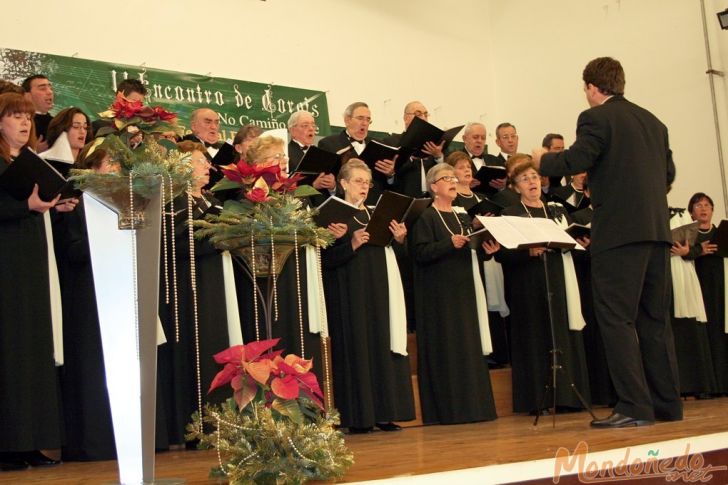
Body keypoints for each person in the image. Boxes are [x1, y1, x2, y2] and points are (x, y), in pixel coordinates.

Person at [536, 56, 681, 427]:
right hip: (656, 234)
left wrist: (542, 160)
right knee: (653, 321)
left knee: (615, 319)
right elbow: (668, 175)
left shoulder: (596, 118)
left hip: (619, 234)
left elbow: (577, 158)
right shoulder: (654, 121)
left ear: (591, 87)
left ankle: (633, 406)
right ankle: (667, 406)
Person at [0, 92, 76, 471]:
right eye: (15, 116)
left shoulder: (26, 162)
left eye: (28, 117)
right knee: (10, 352)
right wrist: (23, 206)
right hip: (6, 268)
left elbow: (32, 204)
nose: (25, 123)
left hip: (31, 265)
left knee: (32, 351)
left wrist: (54, 204)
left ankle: (28, 443)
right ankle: (7, 445)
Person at [157, 140, 242, 446]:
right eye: (200, 162)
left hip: (216, 283)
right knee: (196, 348)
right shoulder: (173, 205)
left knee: (218, 346)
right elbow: (176, 246)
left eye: (207, 162)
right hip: (189, 288)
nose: (208, 167)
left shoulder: (212, 203)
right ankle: (195, 426)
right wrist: (219, 238)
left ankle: (222, 421)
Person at [322, 159, 414, 433]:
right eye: (359, 181)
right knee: (358, 348)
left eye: (367, 182)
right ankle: (359, 416)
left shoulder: (377, 213)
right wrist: (350, 243)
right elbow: (324, 260)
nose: (364, 187)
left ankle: (385, 413)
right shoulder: (334, 214)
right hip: (349, 291)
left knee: (381, 343)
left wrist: (399, 239)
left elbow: (392, 253)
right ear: (344, 183)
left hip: (380, 288)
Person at [494, 158, 591, 414]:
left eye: (534, 177)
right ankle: (539, 399)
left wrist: (581, 244)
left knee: (562, 334)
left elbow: (572, 244)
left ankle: (568, 397)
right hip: (528, 285)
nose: (532, 182)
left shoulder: (557, 210)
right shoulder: (511, 214)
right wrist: (528, 252)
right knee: (535, 337)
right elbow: (502, 255)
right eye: (525, 179)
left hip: (559, 279)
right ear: (515, 187)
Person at [412, 162, 497, 424]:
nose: (452, 180)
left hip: (465, 290)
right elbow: (420, 253)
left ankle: (475, 408)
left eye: (453, 176)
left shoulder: (461, 216)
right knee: (448, 347)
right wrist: (447, 244)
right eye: (445, 177)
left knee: (468, 346)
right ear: (434, 187)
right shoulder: (425, 216)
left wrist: (486, 250)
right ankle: (450, 410)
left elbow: (470, 248)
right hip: (439, 295)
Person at [52, 148, 118, 461]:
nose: (117, 171)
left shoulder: (121, 205)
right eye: (111, 164)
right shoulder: (77, 203)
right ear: (92, 169)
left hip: (115, 294)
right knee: (91, 367)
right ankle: (93, 442)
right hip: (86, 298)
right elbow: (73, 250)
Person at [683, 193, 728, 396]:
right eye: (698, 205)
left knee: (721, 333)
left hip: (720, 289)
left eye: (707, 205)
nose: (703, 209)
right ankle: (707, 386)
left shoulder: (722, 233)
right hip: (697, 289)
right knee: (703, 333)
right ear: (691, 212)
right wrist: (697, 252)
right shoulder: (689, 237)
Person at [318, 102, 396, 205]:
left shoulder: (379, 145)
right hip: (343, 206)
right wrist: (333, 187)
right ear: (347, 120)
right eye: (360, 118)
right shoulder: (328, 144)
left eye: (368, 119)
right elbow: (325, 182)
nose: (364, 123)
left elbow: (387, 185)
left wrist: (390, 175)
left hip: (373, 207)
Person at [381, 101, 443, 197]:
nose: (423, 118)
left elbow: (444, 174)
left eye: (426, 115)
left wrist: (438, 157)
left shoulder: (433, 145)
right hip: (403, 198)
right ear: (406, 118)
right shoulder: (392, 142)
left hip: (432, 200)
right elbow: (386, 179)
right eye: (418, 114)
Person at [21, 74, 54, 150]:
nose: (50, 92)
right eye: (42, 88)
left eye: (50, 88)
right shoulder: (20, 122)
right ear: (27, 95)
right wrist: (34, 151)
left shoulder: (57, 122)